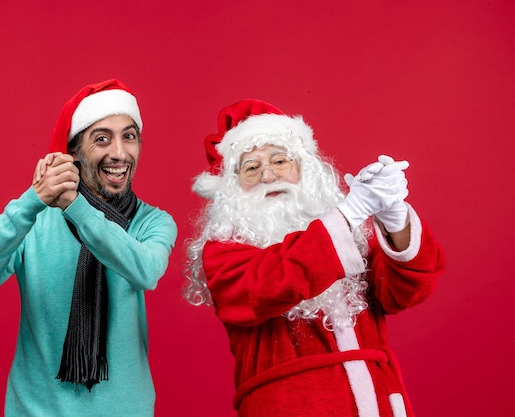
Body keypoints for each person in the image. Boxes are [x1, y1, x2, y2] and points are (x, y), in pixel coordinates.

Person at [184, 99, 445, 417]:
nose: (269, 175)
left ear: (304, 169)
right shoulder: (224, 250)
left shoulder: (348, 235)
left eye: (280, 161)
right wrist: (348, 213)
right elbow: (267, 285)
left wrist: (393, 216)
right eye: (252, 168)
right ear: (231, 188)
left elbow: (408, 290)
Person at [0, 79, 177, 416]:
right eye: (102, 138)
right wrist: (33, 200)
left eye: (129, 136)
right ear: (73, 153)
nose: (119, 153)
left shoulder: (152, 221)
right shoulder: (33, 218)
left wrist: (74, 205)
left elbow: (146, 272)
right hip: (35, 409)